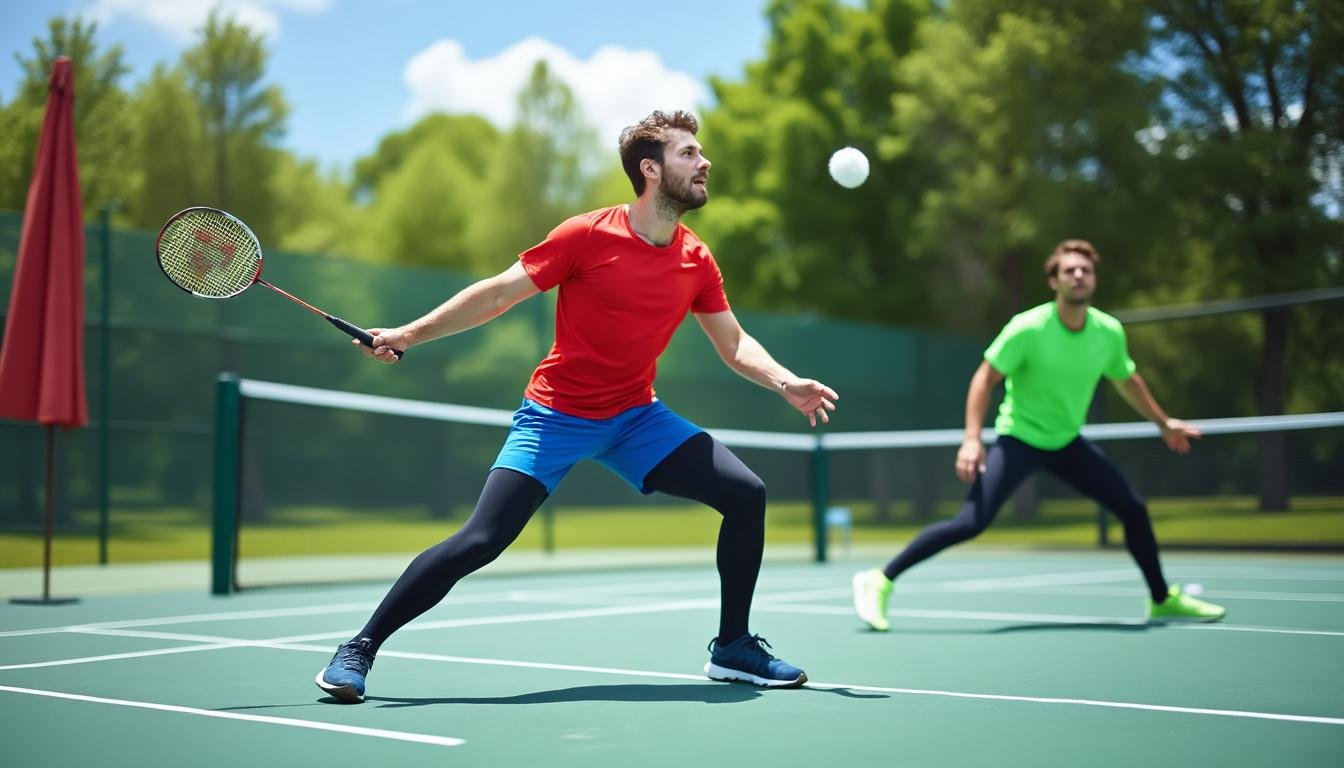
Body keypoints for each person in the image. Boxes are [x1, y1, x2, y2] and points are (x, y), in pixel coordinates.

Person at [316, 110, 838, 703]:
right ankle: (359, 647)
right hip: (556, 415)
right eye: (689, 153)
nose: (704, 162)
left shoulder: (696, 258)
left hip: (636, 417)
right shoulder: (586, 236)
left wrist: (785, 381)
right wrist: (410, 333)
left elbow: (735, 343)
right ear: (651, 169)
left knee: (745, 493)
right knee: (481, 540)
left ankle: (733, 647)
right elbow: (498, 293)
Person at [851, 239, 1226, 632]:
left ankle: (1162, 600)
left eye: (1086, 270)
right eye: (1069, 270)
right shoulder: (1027, 328)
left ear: (1094, 279)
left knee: (1132, 509)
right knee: (971, 522)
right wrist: (972, 438)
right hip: (1019, 440)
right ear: (1054, 281)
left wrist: (1163, 423)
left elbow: (1127, 379)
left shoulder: (1108, 332)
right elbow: (985, 377)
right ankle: (880, 579)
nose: (1079, 276)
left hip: (1067, 443)